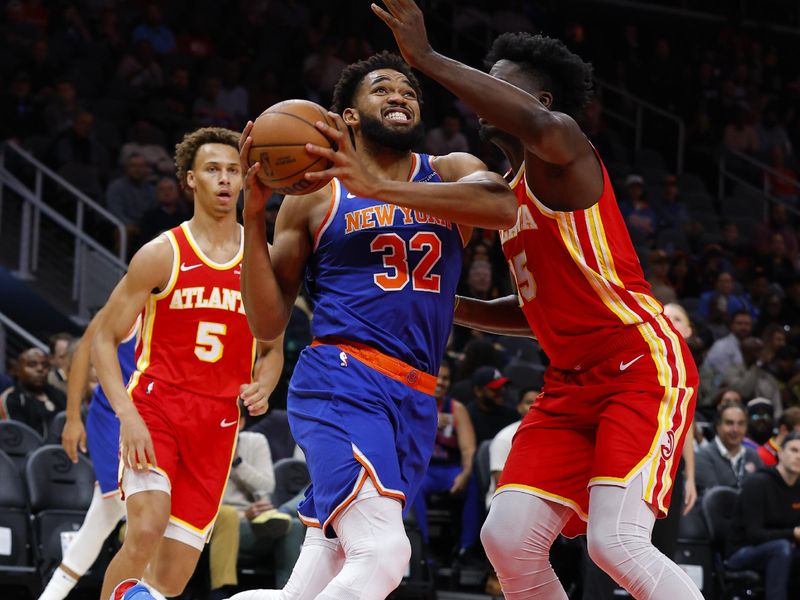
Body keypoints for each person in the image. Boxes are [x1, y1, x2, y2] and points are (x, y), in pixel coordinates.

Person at [375, 2, 701, 597]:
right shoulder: (506, 194)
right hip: (570, 382)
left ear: (539, 103)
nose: (483, 97)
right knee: (507, 536)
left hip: (639, 366)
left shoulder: (564, 147)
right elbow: (538, 309)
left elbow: (546, 129)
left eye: (500, 86)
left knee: (616, 542)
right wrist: (457, 308)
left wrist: (424, 58)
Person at [230, 50, 516, 600]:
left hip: (414, 397)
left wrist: (379, 188)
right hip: (343, 378)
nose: (400, 97)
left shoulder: (450, 170)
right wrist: (254, 215)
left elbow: (502, 205)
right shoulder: (314, 196)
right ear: (349, 117)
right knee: (384, 554)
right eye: (383, 89)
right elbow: (267, 322)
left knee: (331, 562)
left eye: (409, 92)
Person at [92, 127, 284, 600]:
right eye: (213, 170)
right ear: (190, 180)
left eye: (233, 171)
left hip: (218, 422)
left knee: (171, 579)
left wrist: (265, 383)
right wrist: (128, 415)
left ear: (245, 181)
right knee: (145, 528)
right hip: (157, 407)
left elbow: (273, 347)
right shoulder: (161, 253)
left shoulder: (265, 261)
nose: (224, 180)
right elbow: (103, 337)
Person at [37, 311, 138, 600]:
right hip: (114, 418)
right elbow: (83, 349)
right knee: (139, 516)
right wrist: (72, 417)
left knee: (103, 520)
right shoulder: (133, 296)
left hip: (154, 420)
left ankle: (51, 595)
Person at [410, 360, 481, 559]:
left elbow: (469, 449)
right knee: (413, 489)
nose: (441, 382)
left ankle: (466, 548)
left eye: (446, 378)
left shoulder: (456, 408)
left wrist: (465, 474)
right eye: (438, 377)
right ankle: (421, 547)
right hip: (422, 469)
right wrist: (431, 420)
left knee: (473, 484)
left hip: (449, 468)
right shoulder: (413, 402)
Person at [726, 431, 800, 600]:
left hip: (784, 547)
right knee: (781, 548)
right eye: (794, 450)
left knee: (783, 548)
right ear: (780, 453)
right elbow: (754, 534)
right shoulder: (758, 483)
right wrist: (793, 534)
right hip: (742, 551)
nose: (798, 456)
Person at [695, 400, 763, 498]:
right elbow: (715, 499)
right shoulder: (703, 457)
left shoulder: (753, 455)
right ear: (718, 426)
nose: (735, 429)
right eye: (729, 423)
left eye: (741, 423)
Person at [0, 347, 66, 437]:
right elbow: (16, 438)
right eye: (32, 365)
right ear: (18, 370)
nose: (40, 369)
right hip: (29, 449)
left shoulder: (59, 394)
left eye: (45, 365)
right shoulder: (11, 398)